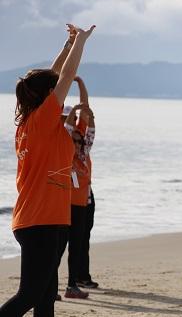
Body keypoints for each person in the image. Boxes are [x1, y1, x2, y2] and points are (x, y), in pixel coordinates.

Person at [0, 24, 95, 316]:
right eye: (55, 92)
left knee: (45, 299)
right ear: (48, 96)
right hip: (39, 221)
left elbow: (54, 78)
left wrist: (66, 46)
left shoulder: (30, 122)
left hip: (44, 219)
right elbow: (65, 76)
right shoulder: (41, 121)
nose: (60, 92)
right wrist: (80, 41)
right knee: (29, 294)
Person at [63, 102, 95, 299]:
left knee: (76, 248)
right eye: (73, 141)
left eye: (79, 142)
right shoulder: (64, 156)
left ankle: (71, 285)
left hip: (81, 207)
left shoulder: (83, 157)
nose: (76, 144)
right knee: (58, 249)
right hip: (63, 207)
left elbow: (90, 133)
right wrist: (74, 112)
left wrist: (88, 115)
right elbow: (67, 130)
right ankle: (49, 287)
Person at [73, 76, 99, 290]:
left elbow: (86, 114)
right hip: (68, 202)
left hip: (86, 198)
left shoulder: (83, 149)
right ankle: (72, 280)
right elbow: (69, 125)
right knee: (70, 243)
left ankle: (82, 276)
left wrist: (81, 84)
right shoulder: (63, 145)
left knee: (83, 239)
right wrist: (72, 114)